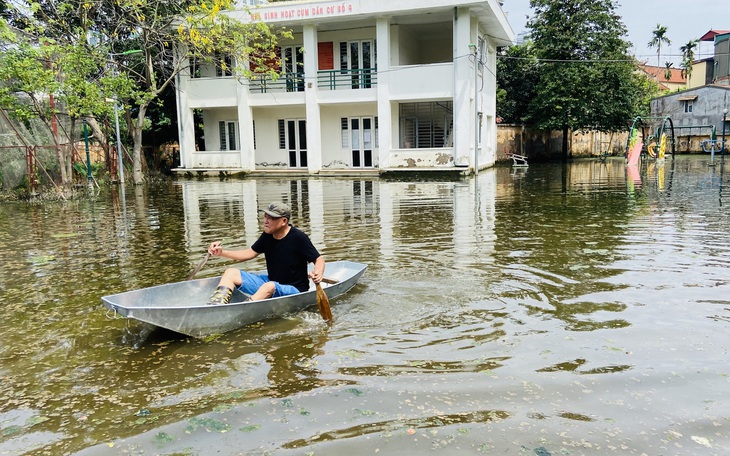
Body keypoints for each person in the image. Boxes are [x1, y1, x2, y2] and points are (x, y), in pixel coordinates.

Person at [205, 201, 325, 305]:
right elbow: (249, 253)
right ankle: (215, 306)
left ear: (284, 221)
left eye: (271, 218)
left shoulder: (299, 237)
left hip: (294, 290)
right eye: (265, 216)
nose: (266, 221)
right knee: (230, 273)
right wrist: (221, 253)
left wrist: (318, 272)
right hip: (271, 283)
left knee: (270, 286)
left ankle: (242, 310)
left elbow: (319, 259)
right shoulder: (267, 235)